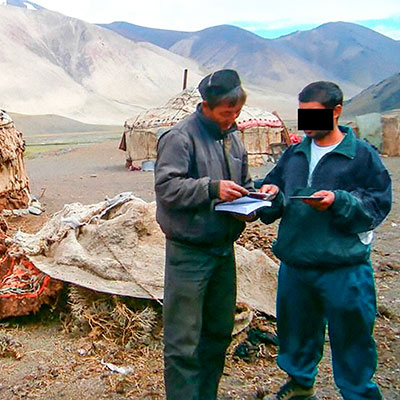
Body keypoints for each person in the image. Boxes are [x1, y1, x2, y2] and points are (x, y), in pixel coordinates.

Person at [258, 81, 392, 400]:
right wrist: (269, 194)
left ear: (337, 112)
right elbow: (276, 187)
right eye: (302, 116)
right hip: (297, 265)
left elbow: (378, 203)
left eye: (313, 116)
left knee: (353, 340)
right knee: (297, 335)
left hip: (343, 267)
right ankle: (301, 386)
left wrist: (338, 201)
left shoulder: (361, 155)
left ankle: (358, 393)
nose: (306, 124)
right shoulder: (295, 153)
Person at [154, 69, 253, 400]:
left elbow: (243, 183)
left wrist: (258, 194)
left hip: (224, 251)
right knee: (183, 342)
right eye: (226, 113)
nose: (232, 119)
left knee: (217, 334)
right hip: (189, 254)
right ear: (206, 106)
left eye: (236, 113)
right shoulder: (179, 137)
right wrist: (212, 189)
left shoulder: (233, 137)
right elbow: (167, 188)